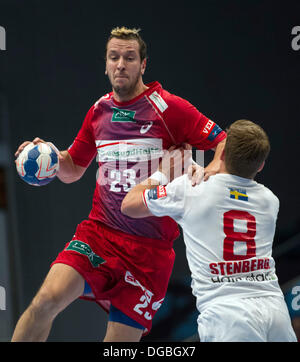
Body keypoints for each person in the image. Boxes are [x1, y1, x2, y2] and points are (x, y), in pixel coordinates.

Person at [12, 26, 226, 342]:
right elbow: (73, 168)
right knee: (45, 302)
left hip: (150, 255)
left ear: (143, 65)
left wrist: (210, 175)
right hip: (100, 235)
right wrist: (52, 159)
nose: (121, 64)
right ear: (106, 64)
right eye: (114, 57)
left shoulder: (169, 108)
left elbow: (223, 141)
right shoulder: (98, 111)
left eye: (129, 57)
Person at [121, 119, 297, 342]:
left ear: (222, 154)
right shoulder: (270, 201)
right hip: (275, 311)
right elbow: (228, 189)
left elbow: (129, 205)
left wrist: (163, 173)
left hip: (228, 315)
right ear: (260, 165)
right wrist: (207, 169)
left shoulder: (190, 189)